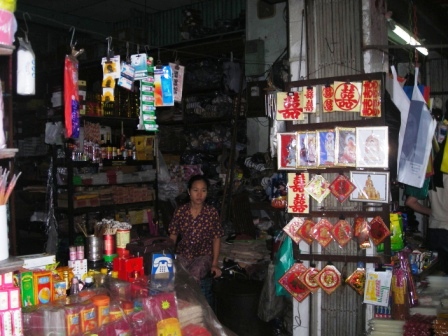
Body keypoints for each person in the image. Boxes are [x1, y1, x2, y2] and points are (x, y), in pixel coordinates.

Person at [169, 175, 224, 282]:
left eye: (203, 190)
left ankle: (190, 299)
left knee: (194, 274)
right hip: (183, 254)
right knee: (173, 274)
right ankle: (175, 298)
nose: (199, 194)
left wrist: (215, 264)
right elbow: (173, 235)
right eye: (195, 190)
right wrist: (168, 257)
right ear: (189, 192)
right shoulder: (181, 211)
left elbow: (217, 238)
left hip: (203, 256)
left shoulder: (211, 212)